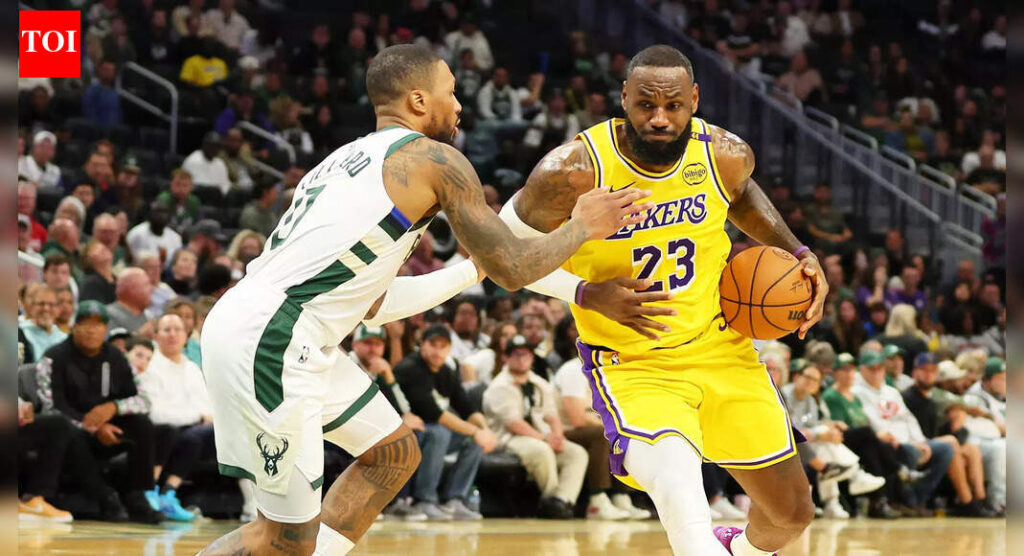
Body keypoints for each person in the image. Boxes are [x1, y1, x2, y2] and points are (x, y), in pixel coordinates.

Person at [198, 44, 650, 555]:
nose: (459, 105)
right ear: (418, 100)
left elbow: (376, 304)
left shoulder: (346, 159)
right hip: (275, 336)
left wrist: (470, 269)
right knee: (281, 540)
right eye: (450, 92)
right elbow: (514, 268)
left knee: (391, 456)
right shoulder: (434, 159)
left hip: (278, 326)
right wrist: (581, 227)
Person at [498, 45, 828, 555]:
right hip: (635, 364)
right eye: (646, 104)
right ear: (624, 97)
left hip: (722, 351)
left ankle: (738, 550)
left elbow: (741, 195)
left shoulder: (723, 155)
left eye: (673, 106)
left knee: (792, 514)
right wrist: (585, 292)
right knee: (681, 491)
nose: (659, 118)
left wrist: (800, 253)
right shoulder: (574, 169)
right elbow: (501, 252)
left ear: (693, 100)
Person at [36, 301, 162, 523]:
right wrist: (94, 427)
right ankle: (105, 497)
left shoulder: (116, 357)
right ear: (74, 327)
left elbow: (144, 401)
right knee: (66, 431)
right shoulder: (54, 357)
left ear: (105, 329)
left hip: (109, 428)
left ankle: (137, 495)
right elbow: (51, 408)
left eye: (98, 325)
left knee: (141, 424)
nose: (91, 330)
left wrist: (114, 407)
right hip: (73, 431)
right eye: (85, 324)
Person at [484, 335, 589, 519]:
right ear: (505, 358)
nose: (521, 359)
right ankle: (551, 500)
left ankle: (562, 500)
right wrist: (546, 439)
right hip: (508, 439)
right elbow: (514, 424)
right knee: (542, 450)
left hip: (540, 436)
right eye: (516, 355)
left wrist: (558, 437)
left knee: (576, 453)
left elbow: (552, 416)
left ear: (532, 358)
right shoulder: (498, 386)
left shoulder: (539, 383)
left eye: (525, 355)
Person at [394, 325, 491, 521]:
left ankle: (454, 499)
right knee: (440, 432)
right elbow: (434, 414)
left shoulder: (446, 371)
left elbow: (466, 406)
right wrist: (475, 431)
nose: (437, 351)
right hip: (406, 434)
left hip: (430, 433)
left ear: (449, 349)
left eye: (443, 346)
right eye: (433, 345)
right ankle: (425, 500)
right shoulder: (411, 368)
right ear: (422, 345)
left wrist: (485, 430)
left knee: (474, 441)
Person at [552, 344, 653, 520]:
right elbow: (577, 419)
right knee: (604, 434)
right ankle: (597, 500)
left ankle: (621, 497)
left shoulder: (607, 369)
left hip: (591, 428)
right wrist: (610, 427)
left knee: (625, 433)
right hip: (564, 431)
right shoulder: (573, 370)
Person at [852, 349, 954, 516]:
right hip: (889, 441)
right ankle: (905, 502)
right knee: (910, 451)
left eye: (880, 368)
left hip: (910, 440)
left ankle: (919, 499)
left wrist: (920, 441)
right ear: (862, 370)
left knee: (946, 449)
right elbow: (871, 421)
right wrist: (905, 442)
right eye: (872, 368)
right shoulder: (857, 392)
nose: (877, 372)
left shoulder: (891, 391)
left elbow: (908, 418)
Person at [781, 365, 885, 519]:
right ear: (796, 377)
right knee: (826, 440)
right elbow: (790, 431)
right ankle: (853, 476)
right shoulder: (783, 396)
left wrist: (829, 427)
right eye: (808, 377)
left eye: (815, 380)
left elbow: (812, 426)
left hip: (804, 445)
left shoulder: (811, 401)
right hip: (784, 443)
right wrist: (820, 434)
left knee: (829, 443)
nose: (811, 382)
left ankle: (834, 499)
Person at [139, 314, 215, 521]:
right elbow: (156, 413)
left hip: (196, 430)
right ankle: (161, 492)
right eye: (167, 330)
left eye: (177, 330)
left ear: (186, 336)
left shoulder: (192, 368)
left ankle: (168, 493)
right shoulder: (150, 366)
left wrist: (205, 416)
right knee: (191, 437)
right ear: (156, 336)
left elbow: (207, 405)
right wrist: (197, 416)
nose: (172, 334)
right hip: (163, 431)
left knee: (228, 432)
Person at [19, 284, 68, 363]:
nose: (46, 308)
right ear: (32, 307)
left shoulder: (64, 339)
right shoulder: (20, 334)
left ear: (58, 309)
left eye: (51, 304)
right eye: (41, 304)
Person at [126, 202, 183, 268]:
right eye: (157, 212)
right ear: (149, 214)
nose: (161, 216)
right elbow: (128, 257)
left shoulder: (175, 238)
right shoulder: (136, 233)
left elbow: (177, 261)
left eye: (164, 213)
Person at [105, 268, 155, 334]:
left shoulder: (149, 315)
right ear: (132, 289)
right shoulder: (109, 315)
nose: (151, 289)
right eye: (146, 285)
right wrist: (140, 335)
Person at [156, 169, 202, 234]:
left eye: (185, 185)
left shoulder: (194, 202)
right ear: (171, 185)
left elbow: (198, 225)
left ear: (191, 187)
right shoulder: (164, 199)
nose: (181, 189)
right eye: (177, 184)